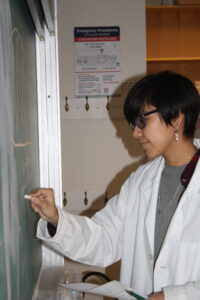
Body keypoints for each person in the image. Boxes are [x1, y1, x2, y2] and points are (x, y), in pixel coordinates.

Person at [29, 71, 200, 300]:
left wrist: (174, 296)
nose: (135, 133)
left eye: (142, 121)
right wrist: (56, 219)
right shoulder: (141, 180)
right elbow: (104, 239)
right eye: (134, 124)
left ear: (176, 118)